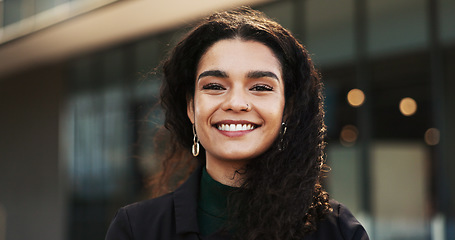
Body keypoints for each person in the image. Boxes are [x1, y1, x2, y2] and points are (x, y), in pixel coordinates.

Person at [105, 7, 369, 240]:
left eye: (261, 87)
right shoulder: (137, 229)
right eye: (215, 86)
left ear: (288, 109)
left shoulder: (338, 231)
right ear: (190, 107)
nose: (236, 103)